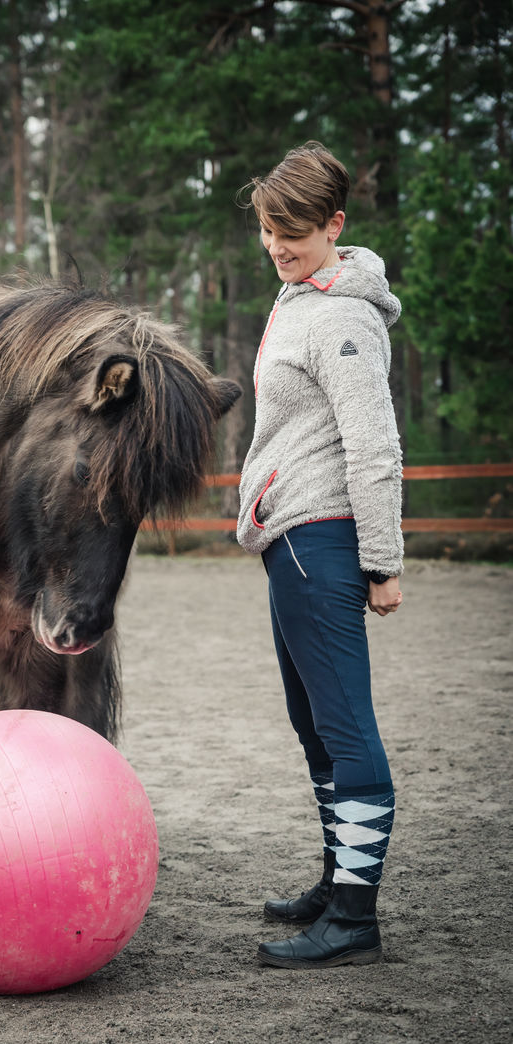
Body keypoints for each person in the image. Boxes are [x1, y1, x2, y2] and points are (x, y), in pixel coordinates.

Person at [237, 142, 404, 969]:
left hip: (325, 540)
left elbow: (375, 446)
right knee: (314, 727)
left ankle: (355, 921)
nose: (277, 247)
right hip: (290, 542)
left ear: (335, 225)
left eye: (293, 235)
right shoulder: (298, 296)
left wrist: (384, 561)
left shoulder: (341, 315)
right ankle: (338, 880)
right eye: (268, 231)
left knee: (346, 728)